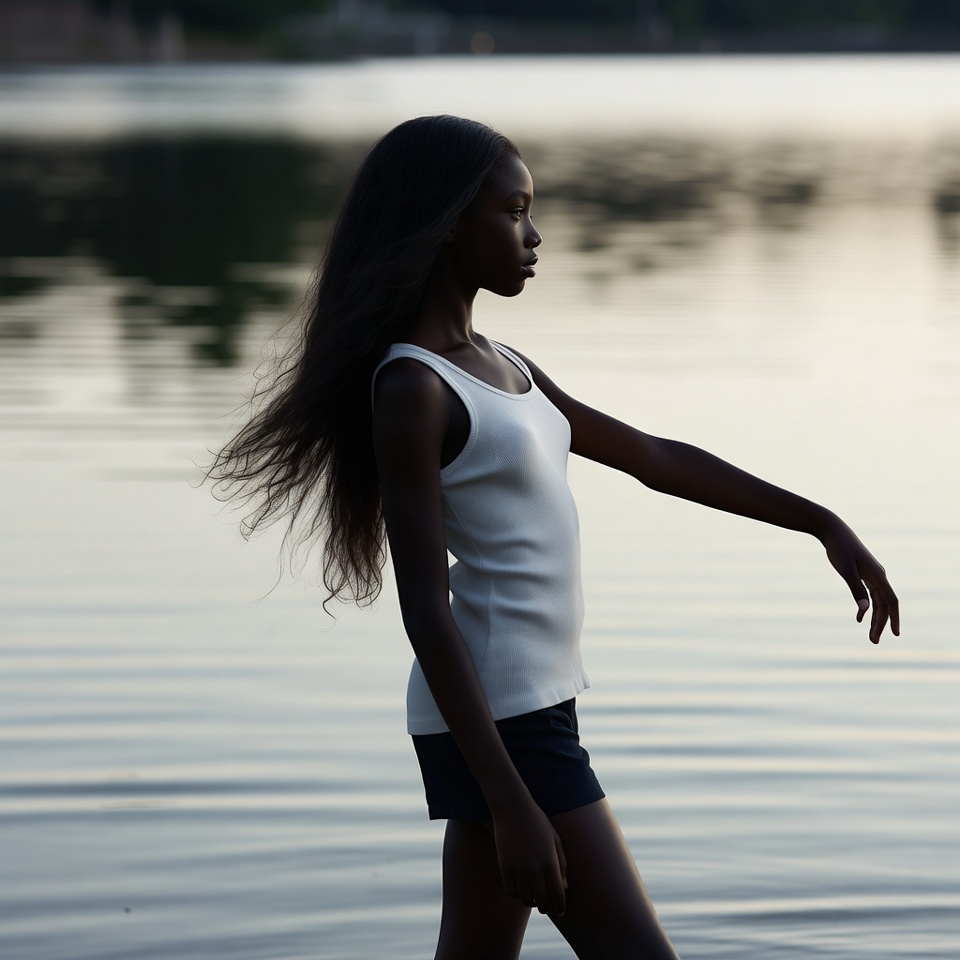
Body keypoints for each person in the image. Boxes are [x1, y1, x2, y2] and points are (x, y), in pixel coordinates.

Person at [209, 115, 899, 960]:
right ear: (449, 224)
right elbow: (425, 610)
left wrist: (821, 520)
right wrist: (508, 800)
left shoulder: (505, 364)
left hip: (525, 711)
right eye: (514, 211)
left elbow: (652, 458)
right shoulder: (414, 388)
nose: (534, 235)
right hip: (505, 724)